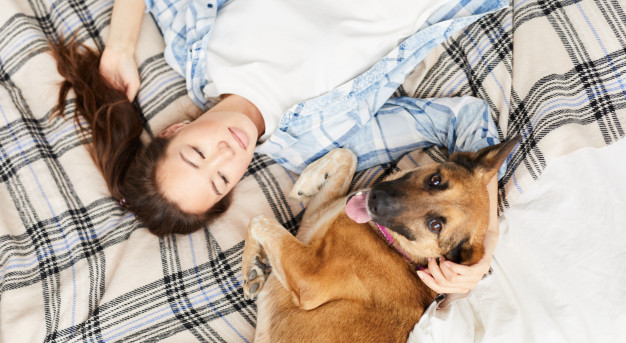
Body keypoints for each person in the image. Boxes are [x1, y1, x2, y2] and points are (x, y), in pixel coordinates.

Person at [51, 0, 508, 294]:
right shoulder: (319, 147)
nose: (226, 153)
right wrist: (484, 241)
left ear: (173, 132)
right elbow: (464, 121)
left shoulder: (194, 48)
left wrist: (120, 47)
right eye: (221, 179)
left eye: (197, 154)